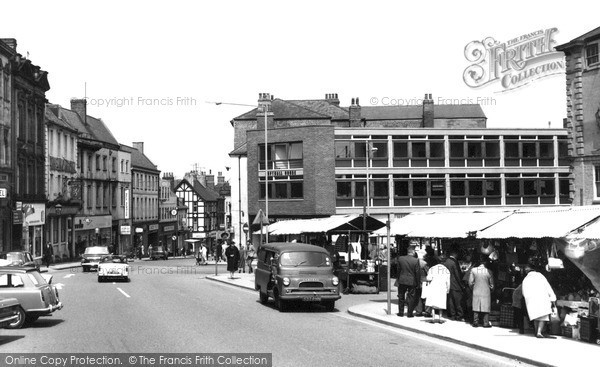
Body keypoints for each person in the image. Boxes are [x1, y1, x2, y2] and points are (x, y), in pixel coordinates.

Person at [522, 261, 557, 338]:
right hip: (542, 299)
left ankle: (536, 331)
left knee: (536, 316)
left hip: (532, 300)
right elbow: (548, 287)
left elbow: (524, 292)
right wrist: (553, 297)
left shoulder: (526, 279)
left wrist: (527, 299)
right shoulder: (540, 276)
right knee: (543, 316)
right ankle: (539, 332)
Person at [469, 254, 494, 328]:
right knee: (486, 307)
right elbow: (492, 285)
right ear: (486, 262)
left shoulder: (473, 270)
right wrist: (491, 289)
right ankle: (485, 322)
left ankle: (475, 322)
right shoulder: (489, 271)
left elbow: (470, 282)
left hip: (476, 290)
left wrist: (473, 288)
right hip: (486, 291)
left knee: (476, 306)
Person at [395, 244, 421, 317]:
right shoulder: (416, 260)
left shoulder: (400, 259)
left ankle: (401, 312)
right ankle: (409, 313)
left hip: (402, 280)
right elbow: (417, 273)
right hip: (411, 281)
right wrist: (418, 283)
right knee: (411, 297)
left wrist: (398, 278)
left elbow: (398, 270)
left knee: (401, 296)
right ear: (413, 252)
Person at [425, 256, 450, 324]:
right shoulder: (446, 270)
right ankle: (440, 318)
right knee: (441, 303)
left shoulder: (432, 268)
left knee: (433, 303)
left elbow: (429, 278)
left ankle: (433, 318)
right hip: (442, 287)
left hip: (434, 287)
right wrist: (448, 289)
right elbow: (448, 281)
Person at [443, 246, 466, 321]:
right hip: (455, 284)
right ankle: (459, 315)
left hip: (448, 284)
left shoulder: (446, 262)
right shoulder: (454, 262)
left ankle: (452, 314)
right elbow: (457, 275)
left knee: (450, 300)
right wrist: (462, 285)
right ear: (455, 253)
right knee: (458, 300)